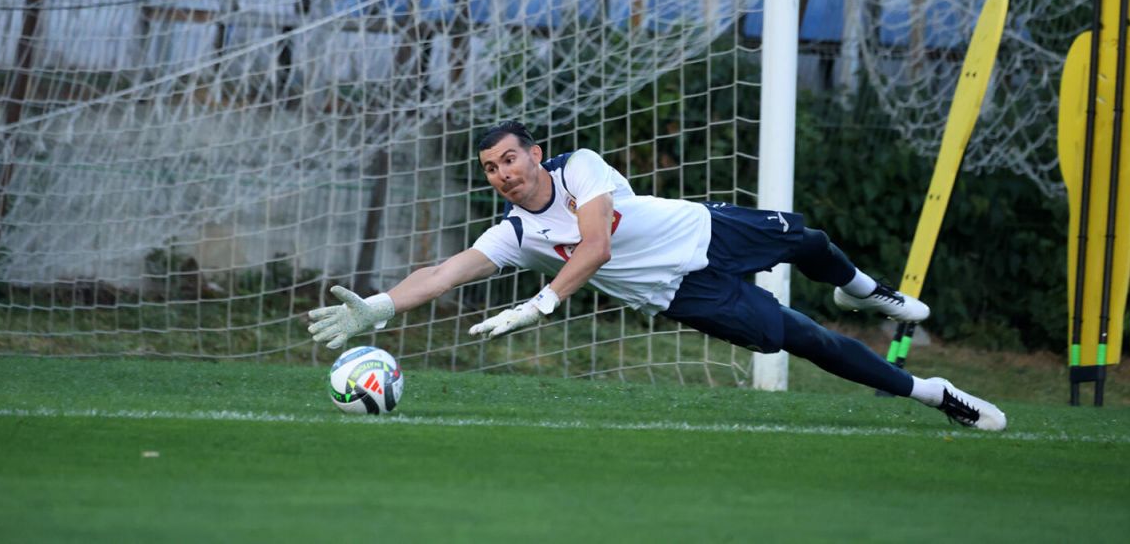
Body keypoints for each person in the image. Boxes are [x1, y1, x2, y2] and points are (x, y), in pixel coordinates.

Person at [309, 120, 1007, 431]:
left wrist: (545, 303)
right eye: (491, 168)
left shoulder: (580, 168)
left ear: (536, 156)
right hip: (683, 294)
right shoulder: (514, 233)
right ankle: (933, 392)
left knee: (810, 236)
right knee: (800, 340)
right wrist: (378, 308)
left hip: (705, 230)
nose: (502, 174)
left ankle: (862, 289)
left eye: (510, 160)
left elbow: (594, 247)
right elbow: (443, 272)